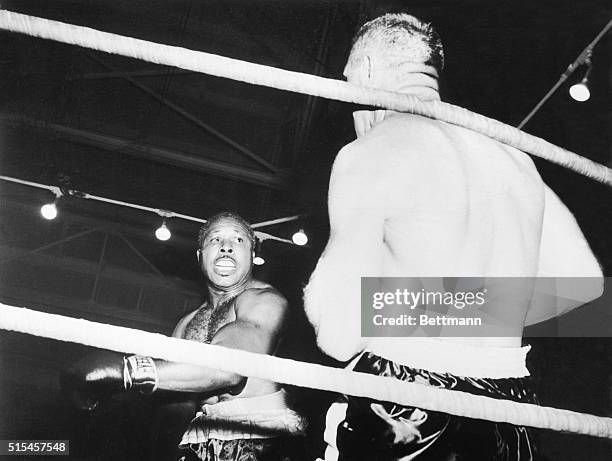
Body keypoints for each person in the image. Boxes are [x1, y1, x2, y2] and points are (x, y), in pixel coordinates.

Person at [303, 13, 603, 461]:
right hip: (509, 404)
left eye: (345, 82)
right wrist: (469, 310)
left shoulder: (370, 152)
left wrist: (384, 304)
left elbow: (339, 337)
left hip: (405, 401)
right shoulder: (512, 155)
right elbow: (585, 283)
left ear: (363, 71)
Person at [62, 212, 306, 461]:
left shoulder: (264, 302)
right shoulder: (187, 323)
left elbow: (228, 369)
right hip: (201, 438)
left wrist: (125, 371)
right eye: (215, 240)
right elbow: (178, 404)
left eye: (239, 241)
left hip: (259, 437)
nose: (226, 247)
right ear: (200, 256)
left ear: (253, 257)